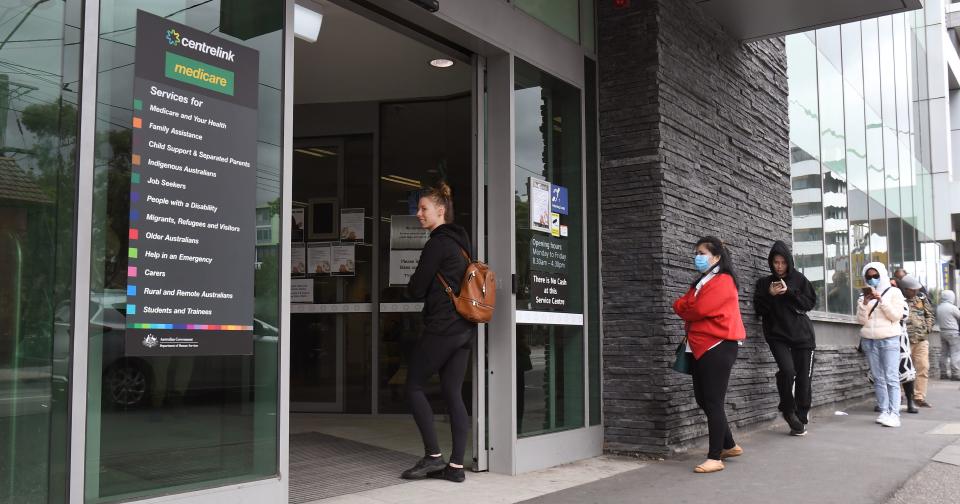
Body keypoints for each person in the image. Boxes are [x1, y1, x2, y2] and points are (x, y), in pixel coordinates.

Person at [401, 182, 475, 483]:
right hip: (464, 328)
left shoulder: (437, 244)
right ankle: (456, 467)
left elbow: (416, 289)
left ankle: (433, 457)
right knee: (453, 392)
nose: (418, 213)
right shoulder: (462, 244)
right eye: (418, 208)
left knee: (413, 386)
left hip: (442, 328)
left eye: (423, 208)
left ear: (440, 210)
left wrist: (412, 286)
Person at [673, 236, 747, 474]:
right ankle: (729, 445)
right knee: (703, 399)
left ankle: (715, 457)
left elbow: (699, 309)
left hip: (718, 346)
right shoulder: (703, 281)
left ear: (716, 257)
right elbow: (681, 305)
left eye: (703, 253)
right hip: (700, 345)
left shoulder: (723, 281)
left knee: (713, 401)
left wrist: (689, 308)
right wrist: (689, 308)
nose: (698, 257)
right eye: (697, 252)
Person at [753, 241, 817, 436]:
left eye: (783, 262)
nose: (779, 266)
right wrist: (771, 295)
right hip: (777, 335)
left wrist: (789, 291)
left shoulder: (799, 279)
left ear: (789, 262)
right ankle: (788, 410)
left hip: (803, 336)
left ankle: (801, 414)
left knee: (804, 378)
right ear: (771, 263)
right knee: (788, 371)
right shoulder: (764, 283)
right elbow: (759, 310)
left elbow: (809, 303)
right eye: (775, 262)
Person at [857, 262, 907, 428]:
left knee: (891, 377)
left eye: (875, 276)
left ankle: (895, 413)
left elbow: (896, 316)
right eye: (869, 276)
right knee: (878, 378)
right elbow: (861, 321)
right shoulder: (862, 296)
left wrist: (881, 300)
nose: (872, 279)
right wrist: (865, 303)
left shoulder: (894, 292)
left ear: (882, 275)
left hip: (889, 339)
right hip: (869, 340)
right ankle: (884, 411)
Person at [899, 275, 935, 407]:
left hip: (921, 339)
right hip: (904, 340)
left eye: (916, 289)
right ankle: (902, 395)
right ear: (905, 289)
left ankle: (919, 396)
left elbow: (929, 314)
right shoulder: (898, 299)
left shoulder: (921, 298)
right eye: (912, 290)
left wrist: (928, 328)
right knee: (903, 369)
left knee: (923, 366)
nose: (914, 292)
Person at [936, 290, 960, 381]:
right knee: (955, 353)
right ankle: (955, 374)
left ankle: (943, 373)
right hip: (953, 332)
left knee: (944, 353)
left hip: (942, 332)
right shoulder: (952, 308)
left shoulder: (939, 307)